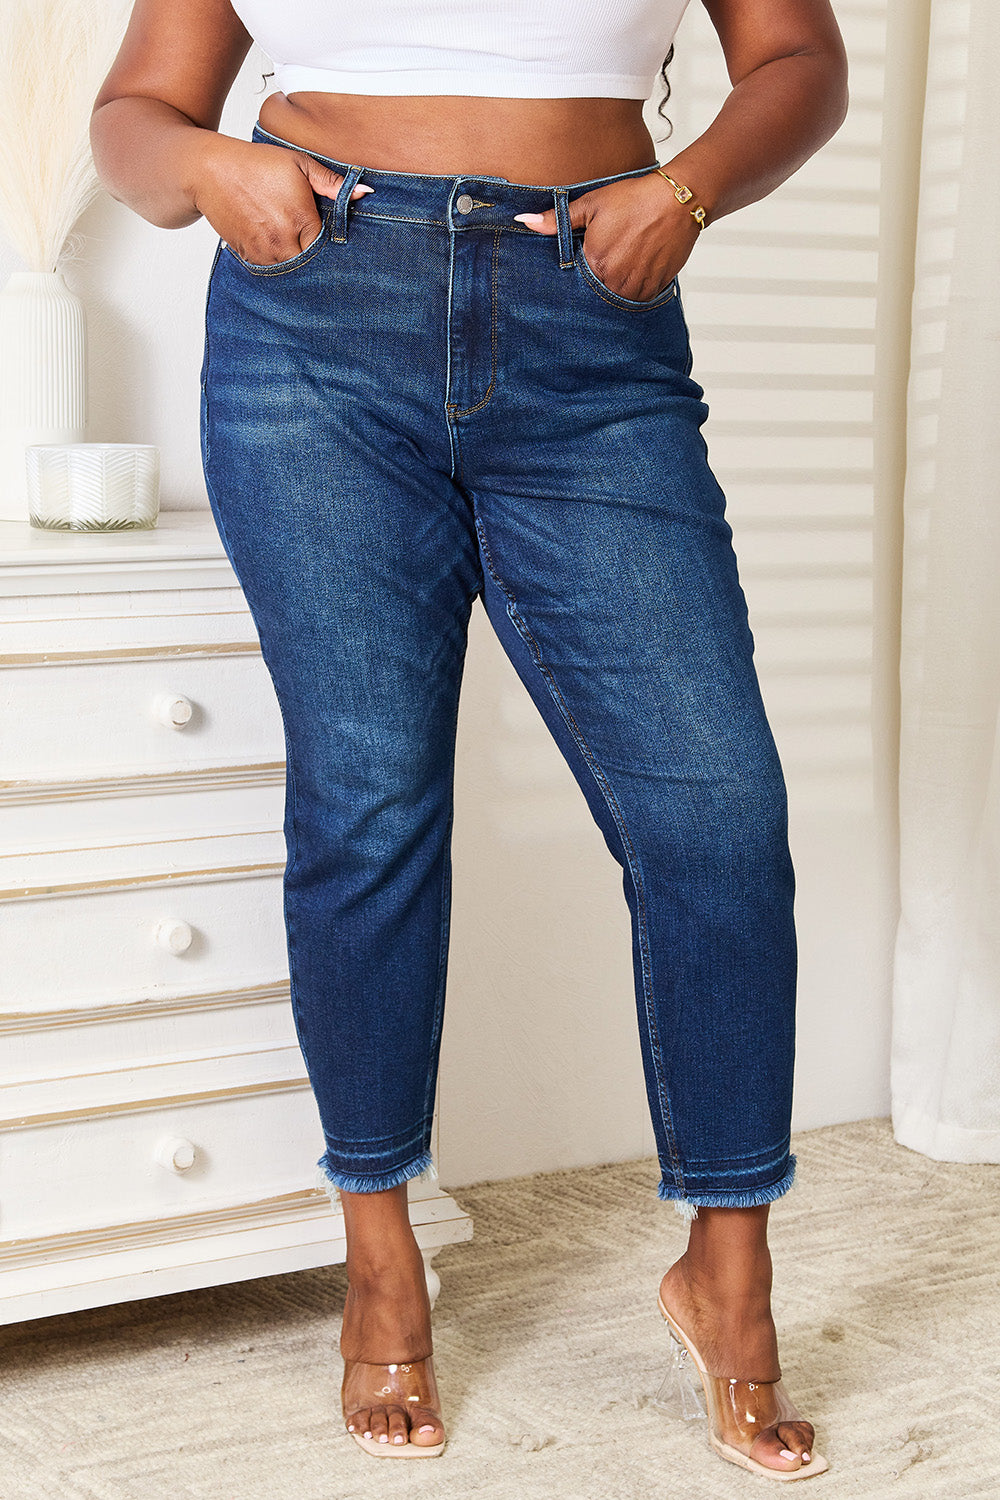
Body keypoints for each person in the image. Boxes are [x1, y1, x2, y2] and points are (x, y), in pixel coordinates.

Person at [91, 0, 848, 1479]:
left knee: (717, 814)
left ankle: (730, 1275)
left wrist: (685, 192)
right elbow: (134, 112)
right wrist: (203, 166)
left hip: (593, 325)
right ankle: (381, 1255)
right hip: (313, 321)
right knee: (368, 804)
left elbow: (802, 68)